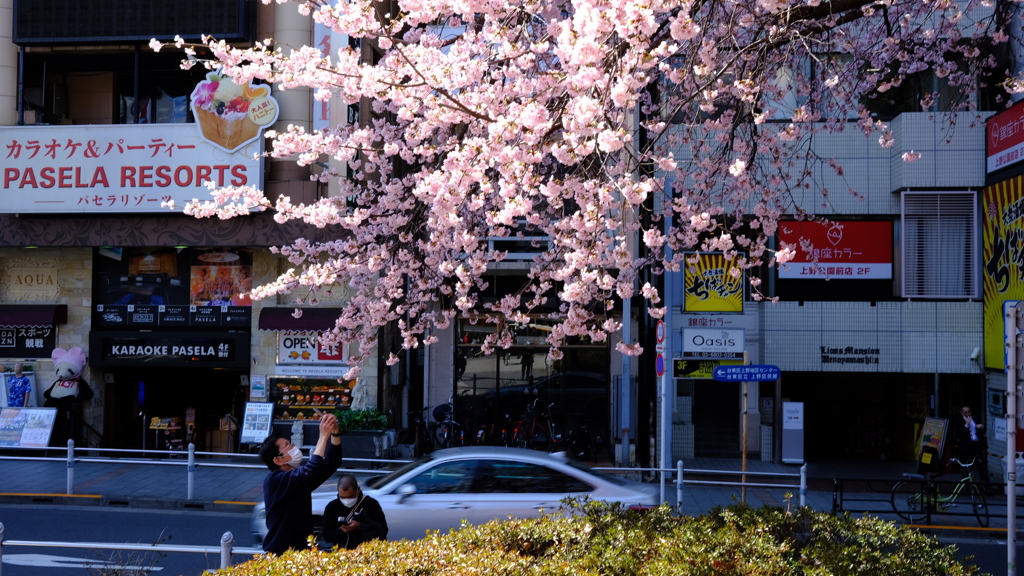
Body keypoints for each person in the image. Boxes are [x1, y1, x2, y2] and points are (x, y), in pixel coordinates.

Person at [259, 412, 343, 555]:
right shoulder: (275, 480)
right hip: (281, 555)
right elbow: (310, 471)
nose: (293, 447)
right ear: (278, 460)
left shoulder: (298, 479)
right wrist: (323, 436)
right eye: (287, 446)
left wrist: (334, 433)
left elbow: (331, 463)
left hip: (301, 552)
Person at [322, 474, 388, 550]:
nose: (347, 500)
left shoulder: (371, 504)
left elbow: (383, 530)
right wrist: (342, 531)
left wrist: (360, 526)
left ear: (358, 490)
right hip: (343, 552)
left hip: (367, 550)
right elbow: (327, 536)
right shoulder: (332, 507)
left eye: (351, 496)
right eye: (342, 497)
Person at [955, 405, 988, 478]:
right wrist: (966, 425)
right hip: (966, 447)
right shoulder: (959, 421)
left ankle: (985, 484)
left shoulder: (975, 418)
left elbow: (983, 432)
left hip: (976, 445)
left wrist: (981, 427)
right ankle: (967, 484)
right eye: (965, 413)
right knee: (966, 466)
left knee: (981, 466)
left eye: (969, 412)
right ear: (962, 413)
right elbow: (959, 434)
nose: (968, 414)